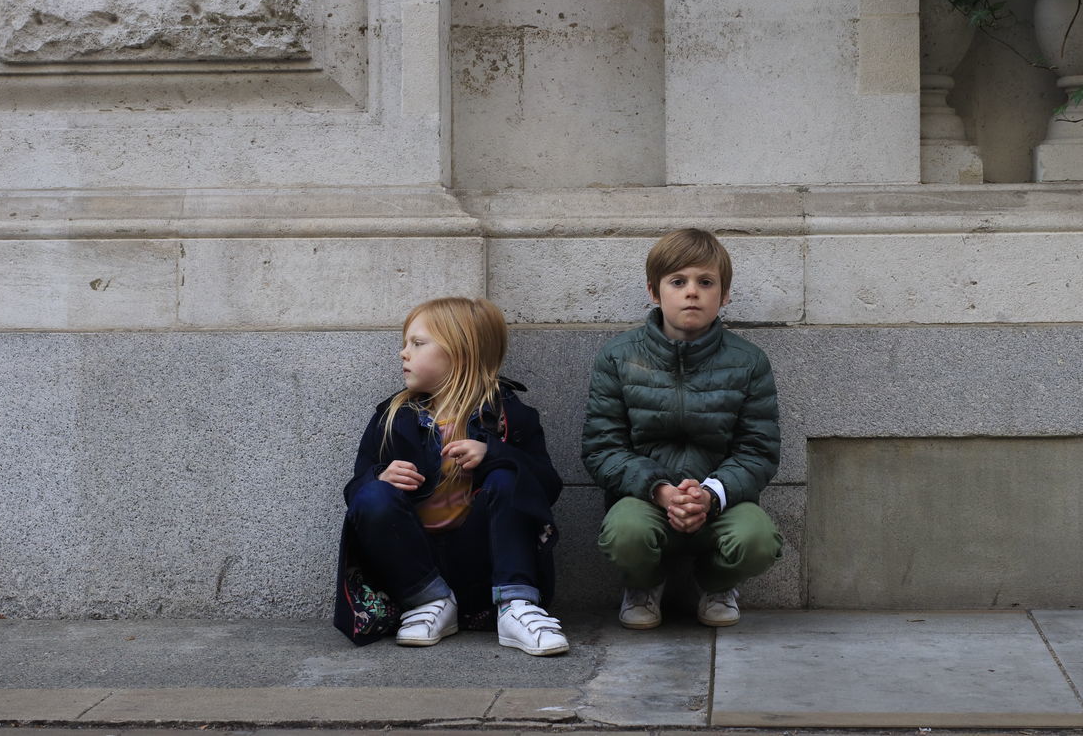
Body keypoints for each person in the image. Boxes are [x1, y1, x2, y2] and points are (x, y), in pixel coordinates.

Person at [335, 297, 569, 656]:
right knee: (372, 495)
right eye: (405, 343)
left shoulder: (509, 417)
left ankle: (517, 605)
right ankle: (429, 603)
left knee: (508, 476)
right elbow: (355, 494)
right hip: (415, 566)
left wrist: (494, 453)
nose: (403, 353)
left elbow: (547, 487)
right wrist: (380, 476)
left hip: (485, 563)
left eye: (417, 343)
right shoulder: (393, 418)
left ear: (459, 352)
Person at [581, 228, 783, 629]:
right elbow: (602, 449)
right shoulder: (618, 357)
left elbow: (758, 451)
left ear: (723, 295)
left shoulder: (749, 362)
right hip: (645, 502)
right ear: (655, 292)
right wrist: (660, 491)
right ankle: (644, 585)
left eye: (705, 282)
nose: (692, 292)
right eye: (678, 282)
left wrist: (709, 495)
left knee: (758, 539)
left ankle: (715, 585)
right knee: (625, 533)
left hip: (721, 504)